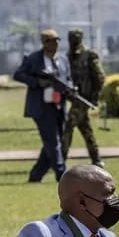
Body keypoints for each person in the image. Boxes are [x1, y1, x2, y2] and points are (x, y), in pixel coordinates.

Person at [14, 29, 71, 183]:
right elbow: (18, 74)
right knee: (53, 141)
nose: (56, 44)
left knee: (54, 141)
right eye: (52, 41)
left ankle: (36, 175)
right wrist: (38, 82)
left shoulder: (63, 60)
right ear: (45, 43)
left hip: (59, 105)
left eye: (57, 40)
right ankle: (62, 175)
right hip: (41, 107)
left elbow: (68, 78)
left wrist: (69, 88)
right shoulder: (34, 59)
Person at [62, 29, 106, 167]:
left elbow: (99, 77)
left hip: (84, 98)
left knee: (68, 126)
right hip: (75, 98)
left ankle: (60, 160)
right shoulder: (68, 57)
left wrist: (94, 96)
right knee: (85, 127)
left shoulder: (89, 55)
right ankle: (96, 158)